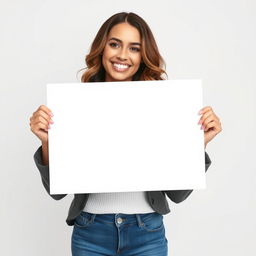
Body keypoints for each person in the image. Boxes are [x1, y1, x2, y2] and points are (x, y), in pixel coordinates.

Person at [29, 12, 222, 256]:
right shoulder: (75, 106)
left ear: (143, 56)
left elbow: (177, 194)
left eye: (134, 48)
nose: (122, 55)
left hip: (147, 234)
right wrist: (47, 143)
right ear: (102, 48)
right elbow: (57, 192)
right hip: (90, 233)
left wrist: (197, 143)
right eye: (114, 44)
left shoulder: (164, 108)